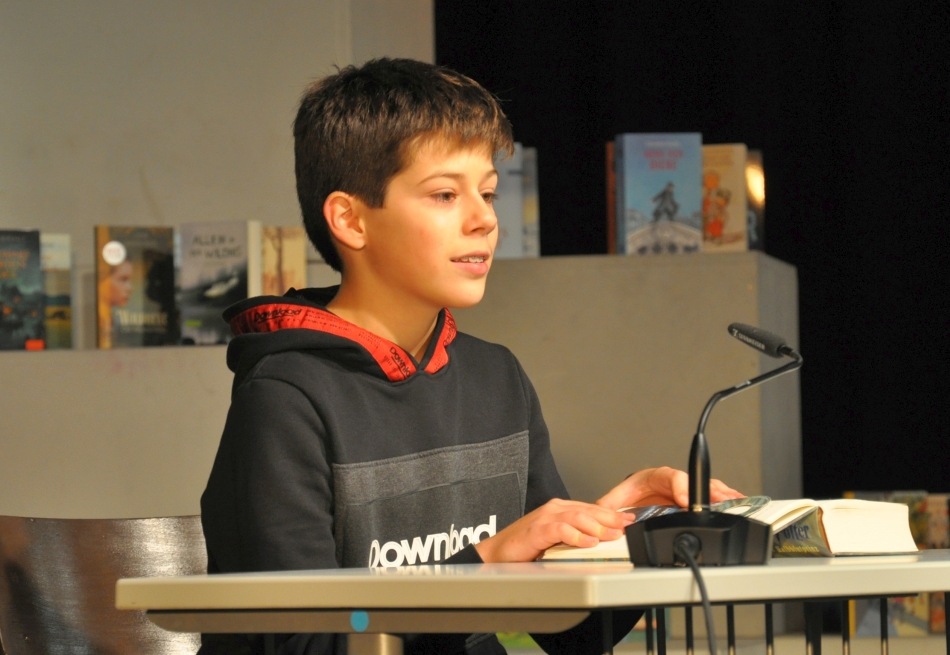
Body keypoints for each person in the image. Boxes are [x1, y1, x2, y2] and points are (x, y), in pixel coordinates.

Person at [199, 58, 742, 655]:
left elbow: (577, 638)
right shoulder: (284, 397)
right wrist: (486, 562)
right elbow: (308, 643)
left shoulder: (497, 376)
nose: (484, 219)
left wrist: (624, 538)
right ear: (351, 220)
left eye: (487, 193)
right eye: (444, 195)